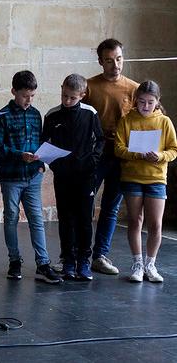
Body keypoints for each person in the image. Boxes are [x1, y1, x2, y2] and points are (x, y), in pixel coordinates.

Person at [0, 70, 61, 283]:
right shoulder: (3, 115)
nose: (28, 100)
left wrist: (40, 163)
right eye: (24, 96)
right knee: (11, 217)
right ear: (14, 91)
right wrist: (19, 155)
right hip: (11, 177)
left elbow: (40, 142)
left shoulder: (35, 114)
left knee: (36, 219)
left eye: (32, 96)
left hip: (33, 176)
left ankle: (43, 263)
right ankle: (14, 260)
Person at [84, 38, 138, 276]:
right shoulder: (89, 86)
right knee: (85, 204)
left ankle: (100, 255)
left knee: (111, 207)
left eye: (118, 59)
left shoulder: (134, 89)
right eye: (109, 61)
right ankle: (78, 254)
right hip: (95, 155)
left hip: (121, 156)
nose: (115, 65)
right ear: (100, 61)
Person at [42, 74, 104, 281]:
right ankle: (68, 259)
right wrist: (55, 164)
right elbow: (44, 143)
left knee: (84, 218)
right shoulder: (52, 115)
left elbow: (100, 140)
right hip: (63, 175)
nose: (67, 101)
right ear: (61, 89)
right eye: (64, 96)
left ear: (82, 95)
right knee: (66, 218)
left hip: (86, 175)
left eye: (72, 98)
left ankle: (83, 260)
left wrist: (93, 160)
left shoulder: (90, 113)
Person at [114, 80, 177, 282]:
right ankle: (138, 263)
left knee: (156, 224)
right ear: (135, 101)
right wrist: (136, 154)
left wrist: (159, 156)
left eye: (150, 102)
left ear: (157, 101)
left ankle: (151, 264)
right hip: (132, 176)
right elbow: (118, 148)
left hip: (156, 178)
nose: (146, 106)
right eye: (141, 102)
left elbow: (173, 150)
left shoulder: (164, 122)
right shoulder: (127, 120)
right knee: (135, 220)